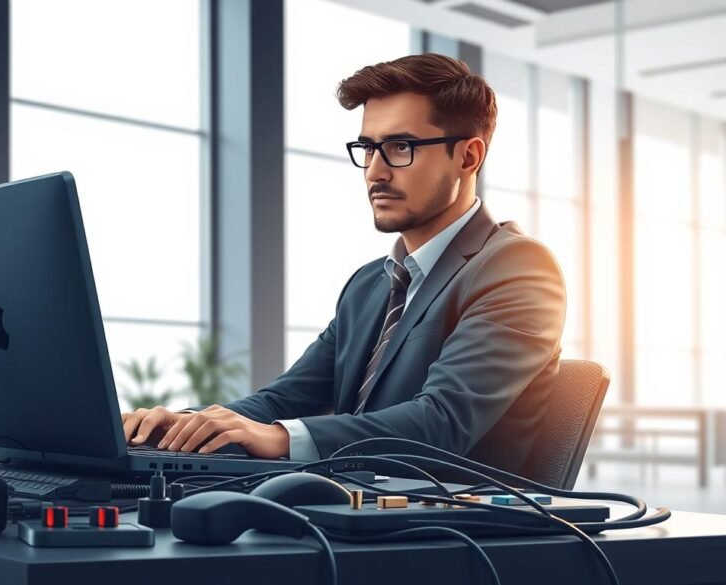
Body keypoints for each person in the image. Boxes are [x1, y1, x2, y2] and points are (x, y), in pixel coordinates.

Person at [121, 53, 566, 474]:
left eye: (400, 147)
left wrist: (278, 438)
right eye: (368, 148)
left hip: (455, 520)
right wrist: (179, 428)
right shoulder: (370, 283)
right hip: (353, 504)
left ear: (468, 157)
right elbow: (282, 401)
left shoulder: (516, 268)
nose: (375, 172)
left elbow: (442, 422)